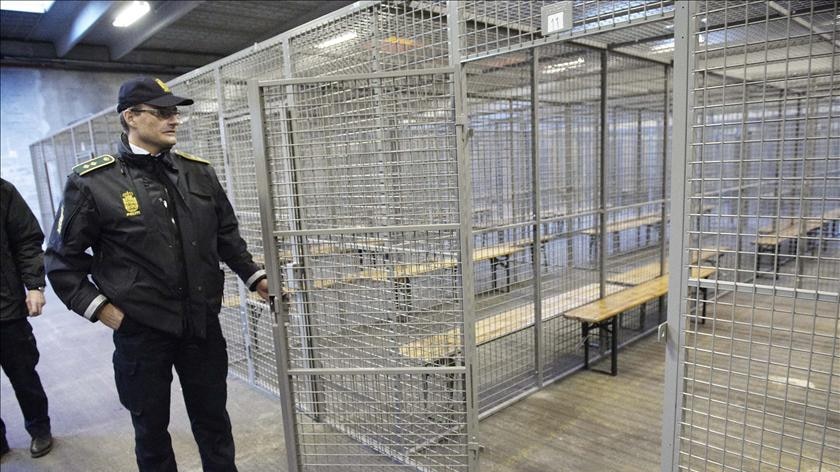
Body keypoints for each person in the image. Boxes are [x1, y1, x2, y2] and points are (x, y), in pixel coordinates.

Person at [45, 76, 269, 472]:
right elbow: (62, 260)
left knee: (214, 421)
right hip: (141, 331)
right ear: (130, 116)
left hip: (201, 324)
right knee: (150, 430)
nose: (174, 120)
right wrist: (102, 309)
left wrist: (254, 276)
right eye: (163, 112)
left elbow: (226, 235)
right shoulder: (92, 183)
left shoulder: (198, 173)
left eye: (175, 112)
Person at [0, 178, 53, 459]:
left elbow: (27, 239)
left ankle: (39, 429)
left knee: (23, 375)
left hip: (5, 308)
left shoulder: (3, 191)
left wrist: (34, 285)